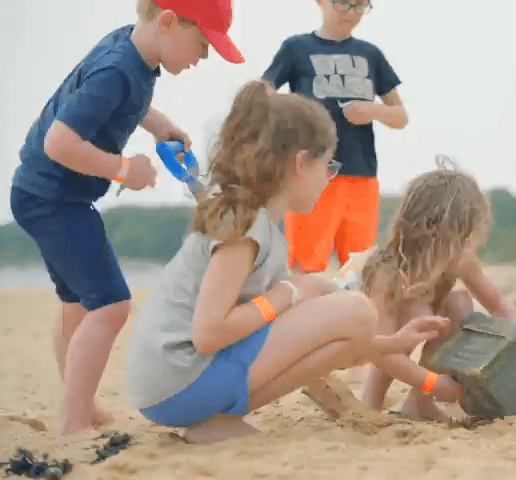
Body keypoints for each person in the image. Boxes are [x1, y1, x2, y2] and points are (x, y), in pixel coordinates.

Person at [124, 81, 449, 445]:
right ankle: (216, 415)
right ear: (300, 163)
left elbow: (336, 341)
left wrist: (393, 342)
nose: (331, 177)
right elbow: (209, 332)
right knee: (352, 308)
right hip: (179, 380)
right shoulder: (244, 227)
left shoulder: (258, 224)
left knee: (320, 291)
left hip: (177, 382)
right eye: (328, 165)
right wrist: (279, 299)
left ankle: (217, 421)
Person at [8, 0, 245, 436]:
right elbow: (59, 143)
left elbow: (121, 104)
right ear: (169, 21)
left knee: (79, 303)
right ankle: (74, 420)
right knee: (112, 305)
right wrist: (122, 169)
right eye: (202, 44)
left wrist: (156, 125)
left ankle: (79, 402)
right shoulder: (118, 68)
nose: (203, 57)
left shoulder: (133, 51)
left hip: (41, 195)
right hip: (55, 199)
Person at [354, 165, 516, 422]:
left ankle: (418, 404)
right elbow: (384, 350)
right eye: (462, 235)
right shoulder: (388, 271)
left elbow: (498, 305)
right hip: (363, 338)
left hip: (403, 330)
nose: (466, 245)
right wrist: (433, 383)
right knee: (412, 315)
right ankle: (372, 402)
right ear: (437, 230)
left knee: (458, 303)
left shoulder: (459, 257)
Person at [261, 0, 408, 275]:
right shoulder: (296, 48)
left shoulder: (371, 54)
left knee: (361, 267)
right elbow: (264, 92)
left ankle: (355, 316)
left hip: (362, 173)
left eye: (361, 5)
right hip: (310, 171)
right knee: (305, 264)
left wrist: (373, 110)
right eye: (344, 3)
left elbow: (400, 115)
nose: (352, 12)